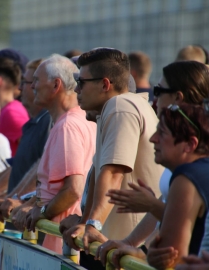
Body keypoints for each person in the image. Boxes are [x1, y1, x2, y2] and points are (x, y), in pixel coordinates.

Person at [98, 60, 209, 268]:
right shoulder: (183, 158)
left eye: (158, 90)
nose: (153, 98)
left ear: (178, 97)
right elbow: (171, 201)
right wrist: (136, 246)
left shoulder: (190, 164)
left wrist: (152, 207)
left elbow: (181, 225)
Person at [61, 48, 163, 269]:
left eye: (82, 82)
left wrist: (92, 225)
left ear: (105, 84)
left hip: (127, 250)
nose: (76, 89)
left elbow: (114, 172)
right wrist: (84, 221)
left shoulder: (120, 106)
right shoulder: (113, 108)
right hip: (119, 245)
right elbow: (100, 173)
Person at [13, 54, 97, 255]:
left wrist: (40, 212)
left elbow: (73, 190)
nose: (32, 86)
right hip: (65, 240)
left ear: (55, 85)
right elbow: (53, 188)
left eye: (36, 80)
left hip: (63, 244)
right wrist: (31, 203)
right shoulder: (76, 120)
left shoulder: (68, 126)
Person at [0, 58, 52, 221]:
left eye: (26, 82)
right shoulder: (37, 121)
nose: (20, 88)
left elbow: (43, 170)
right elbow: (21, 165)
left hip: (30, 223)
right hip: (19, 215)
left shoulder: (46, 120)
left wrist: (17, 198)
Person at [145, 104, 209, 269]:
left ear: (190, 144)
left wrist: (152, 257)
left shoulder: (187, 176)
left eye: (162, 132)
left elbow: (171, 258)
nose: (153, 138)